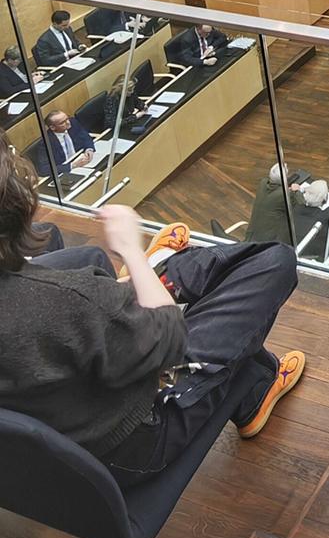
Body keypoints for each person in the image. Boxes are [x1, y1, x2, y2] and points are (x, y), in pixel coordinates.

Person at [0, 163, 305, 481]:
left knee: (86, 259)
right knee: (274, 263)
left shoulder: (64, 299)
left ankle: (148, 280)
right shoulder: (68, 299)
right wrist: (131, 250)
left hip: (53, 433)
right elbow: (170, 337)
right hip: (137, 435)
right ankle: (254, 386)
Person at [245, 163, 305, 245]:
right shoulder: (286, 195)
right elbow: (302, 205)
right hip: (268, 240)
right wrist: (297, 191)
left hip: (251, 234)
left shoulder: (263, 183)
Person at [38, 110, 95, 177]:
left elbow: (86, 137)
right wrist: (72, 165)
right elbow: (44, 169)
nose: (68, 122)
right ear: (52, 127)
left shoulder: (73, 123)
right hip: (66, 171)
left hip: (82, 160)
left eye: (67, 119)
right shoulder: (45, 143)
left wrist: (89, 149)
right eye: (62, 122)